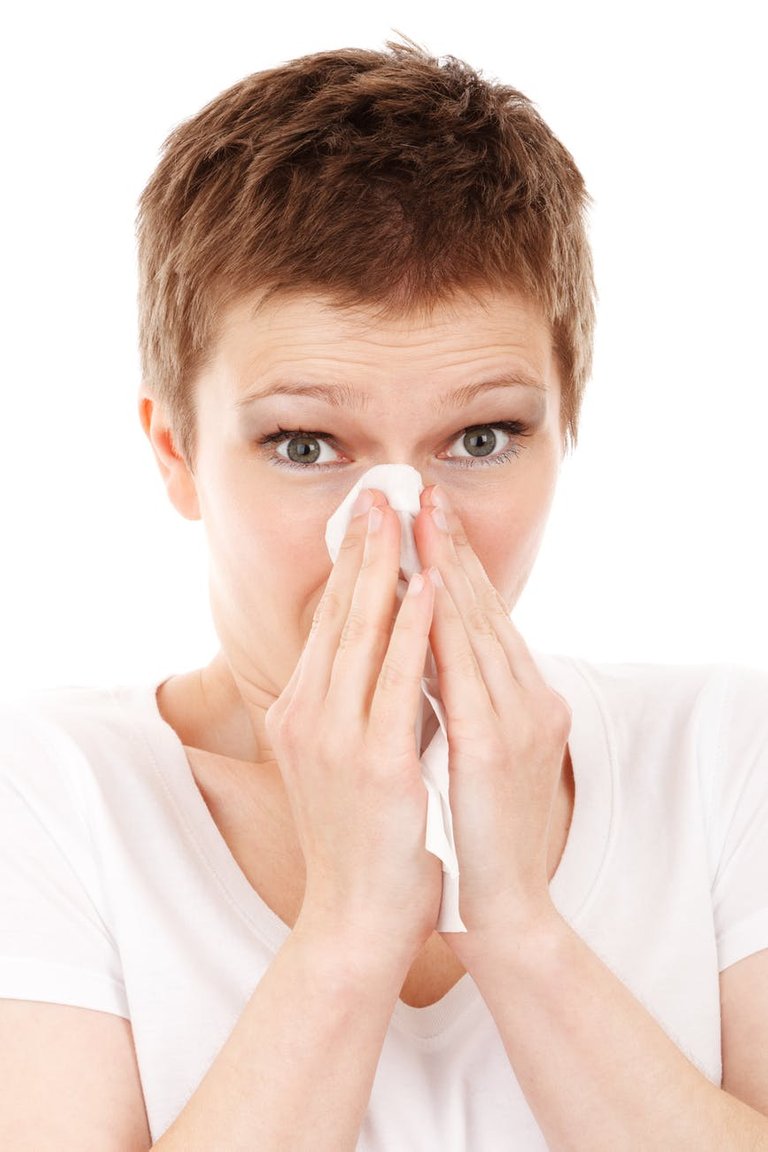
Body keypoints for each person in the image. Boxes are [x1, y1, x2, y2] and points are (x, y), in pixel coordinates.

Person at [1, 39, 767, 1152]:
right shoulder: (51, 795)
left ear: (569, 427)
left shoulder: (723, 752)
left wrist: (516, 924)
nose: (403, 530)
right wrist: (351, 931)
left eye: (482, 437)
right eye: (305, 443)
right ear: (176, 453)